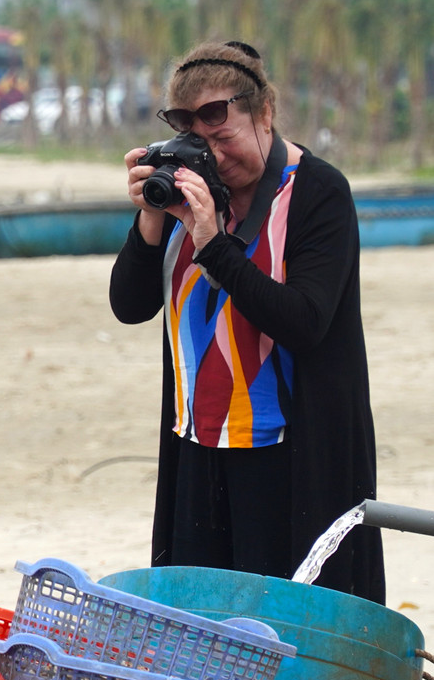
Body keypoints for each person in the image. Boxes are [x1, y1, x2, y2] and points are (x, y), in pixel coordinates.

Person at [109, 39, 384, 603]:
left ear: (265, 115)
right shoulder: (191, 192)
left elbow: (306, 321)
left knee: (289, 622)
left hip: (293, 454)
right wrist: (152, 219)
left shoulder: (318, 193)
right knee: (201, 626)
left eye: (224, 138)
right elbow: (130, 307)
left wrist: (213, 244)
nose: (215, 157)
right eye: (199, 144)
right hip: (199, 446)